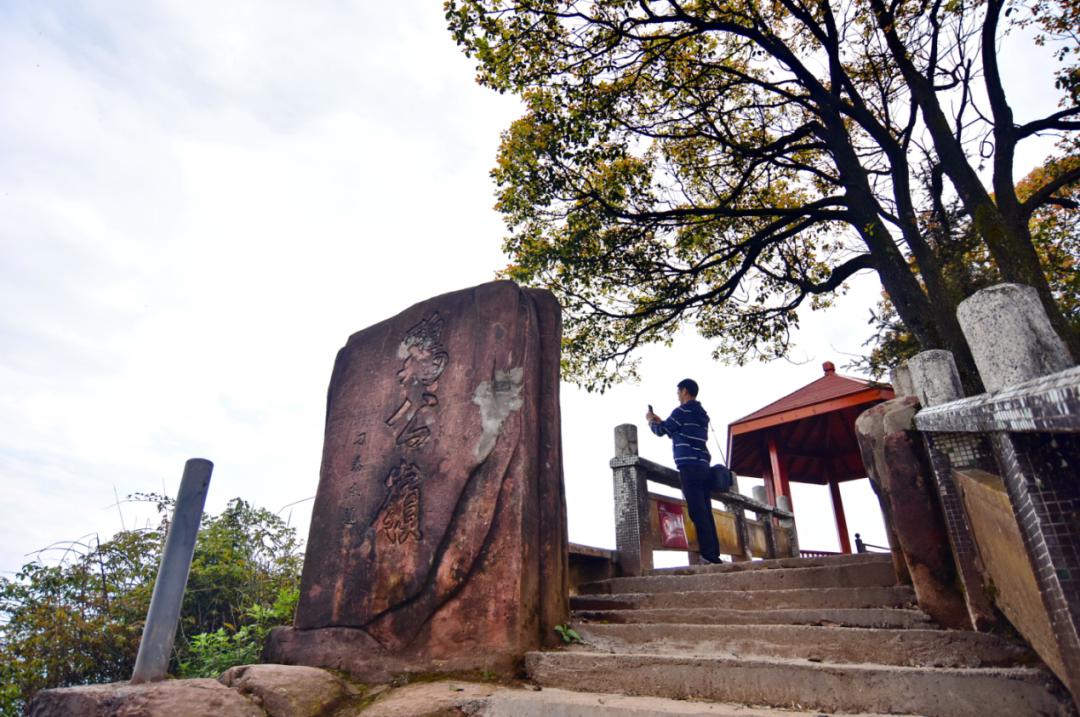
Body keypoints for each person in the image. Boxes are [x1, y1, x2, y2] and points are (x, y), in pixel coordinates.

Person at [646, 378, 722, 564]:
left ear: (685, 391)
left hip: (689, 466)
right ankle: (714, 554)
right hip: (704, 465)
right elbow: (680, 431)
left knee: (697, 511)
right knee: (706, 510)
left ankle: (709, 556)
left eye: (679, 392)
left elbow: (661, 431)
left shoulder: (681, 411)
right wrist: (663, 421)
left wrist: (651, 422)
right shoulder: (701, 414)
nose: (678, 396)